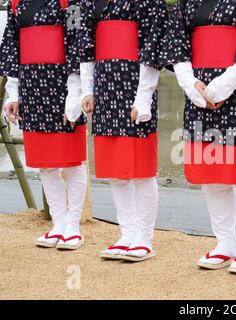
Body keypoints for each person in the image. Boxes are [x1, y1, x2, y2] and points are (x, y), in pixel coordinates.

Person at [161, 0, 236, 275]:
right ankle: (225, 243)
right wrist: (190, 84)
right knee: (211, 173)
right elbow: (177, 37)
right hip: (199, 90)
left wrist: (224, 85)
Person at [78, 0, 168, 262]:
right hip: (105, 85)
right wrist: (87, 88)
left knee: (141, 169)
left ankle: (144, 237)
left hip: (135, 84)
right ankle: (127, 234)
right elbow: (86, 44)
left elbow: (153, 46)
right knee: (115, 169)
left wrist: (143, 96)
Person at [0, 0, 87, 250]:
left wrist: (74, 93)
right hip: (31, 88)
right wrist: (13, 94)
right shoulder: (16, 3)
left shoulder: (71, 3)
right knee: (45, 164)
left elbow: (77, 44)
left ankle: (73, 225)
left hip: (62, 87)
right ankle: (58, 224)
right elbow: (12, 47)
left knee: (71, 161)